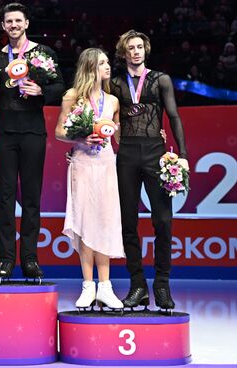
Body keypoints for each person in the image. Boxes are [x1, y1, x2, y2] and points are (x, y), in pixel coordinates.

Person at [110, 30, 188, 311]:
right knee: (128, 223)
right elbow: (103, 116)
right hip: (127, 155)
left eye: (140, 47)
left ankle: (162, 284)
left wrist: (183, 155)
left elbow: (175, 116)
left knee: (163, 220)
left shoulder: (160, 79)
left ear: (146, 50)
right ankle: (138, 285)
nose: (136, 51)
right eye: (130, 48)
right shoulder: (115, 82)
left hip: (156, 153)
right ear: (123, 52)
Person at [0, 3, 64, 282]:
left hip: (33, 132)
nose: (13, 25)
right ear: (4, 26)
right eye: (9, 21)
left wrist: (41, 90)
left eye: (18, 20)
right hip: (5, 133)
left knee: (31, 199)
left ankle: (30, 259)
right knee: (5, 200)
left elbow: (60, 87)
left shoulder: (43, 53)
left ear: (27, 23)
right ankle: (6, 260)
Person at [55, 48, 125, 310]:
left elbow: (118, 137)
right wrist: (80, 138)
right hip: (82, 163)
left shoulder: (114, 101)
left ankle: (105, 287)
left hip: (106, 164)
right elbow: (60, 131)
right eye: (103, 63)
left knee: (105, 221)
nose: (108, 66)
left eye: (108, 62)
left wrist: (150, 136)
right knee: (84, 222)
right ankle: (88, 286)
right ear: (90, 67)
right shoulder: (72, 97)